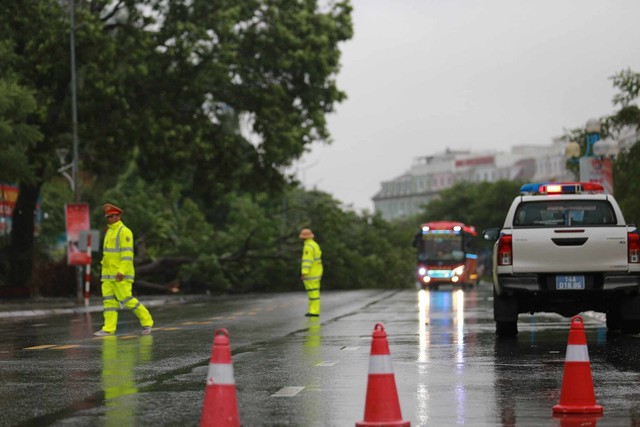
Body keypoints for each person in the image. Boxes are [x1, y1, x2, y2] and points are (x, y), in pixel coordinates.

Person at [94, 203, 154, 336]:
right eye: (107, 217)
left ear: (118, 216)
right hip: (108, 275)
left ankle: (147, 322)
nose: (109, 219)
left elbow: (127, 254)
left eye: (112, 216)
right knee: (109, 302)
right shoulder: (109, 231)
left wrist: (121, 271)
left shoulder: (124, 232)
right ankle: (108, 329)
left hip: (121, 274)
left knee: (126, 300)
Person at [299, 228, 323, 317]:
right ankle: (313, 310)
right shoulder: (314, 245)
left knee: (312, 293)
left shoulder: (308, 247)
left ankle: (313, 311)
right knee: (315, 293)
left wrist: (304, 272)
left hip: (311, 274)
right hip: (317, 272)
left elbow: (307, 261)